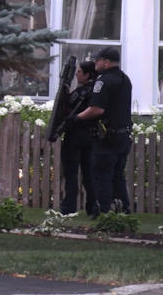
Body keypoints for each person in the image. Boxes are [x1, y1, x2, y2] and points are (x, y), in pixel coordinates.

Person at [67, 47, 132, 218]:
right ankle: (122, 211)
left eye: (98, 60)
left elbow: (96, 109)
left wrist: (76, 118)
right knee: (117, 175)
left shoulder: (103, 82)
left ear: (106, 62)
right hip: (123, 135)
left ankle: (104, 213)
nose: (95, 63)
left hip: (107, 137)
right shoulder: (125, 79)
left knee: (101, 175)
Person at [59, 61, 97, 215]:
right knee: (89, 174)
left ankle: (68, 208)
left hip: (75, 135)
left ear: (87, 75)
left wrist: (66, 94)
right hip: (91, 136)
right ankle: (93, 208)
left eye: (80, 72)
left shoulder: (78, 93)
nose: (77, 74)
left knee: (71, 173)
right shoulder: (97, 91)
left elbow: (66, 109)